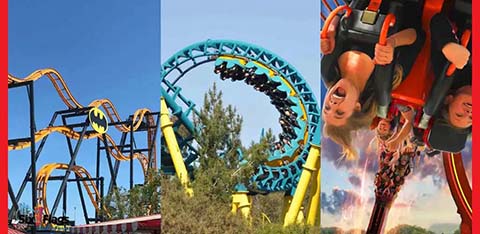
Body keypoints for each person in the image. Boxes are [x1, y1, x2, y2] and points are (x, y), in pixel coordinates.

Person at [321, 0, 425, 159]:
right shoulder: (386, 81)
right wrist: (392, 43)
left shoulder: (330, 71)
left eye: (327, 108)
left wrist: (330, 29)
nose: (332, 104)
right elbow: (417, 36)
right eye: (339, 112)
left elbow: (340, 17)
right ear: (357, 107)